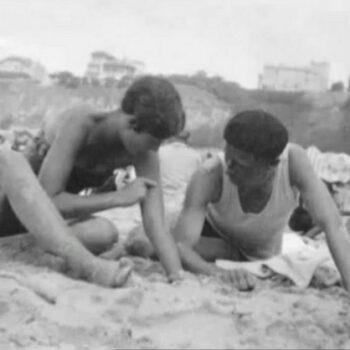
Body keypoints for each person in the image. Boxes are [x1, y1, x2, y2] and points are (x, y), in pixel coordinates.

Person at [0, 75, 186, 284]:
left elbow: (157, 225)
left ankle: (9, 247)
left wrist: (176, 276)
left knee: (105, 233)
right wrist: (117, 198)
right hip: (9, 204)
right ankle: (88, 266)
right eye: (154, 141)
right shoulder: (82, 122)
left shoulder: (144, 154)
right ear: (132, 123)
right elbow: (48, 200)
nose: (156, 149)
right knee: (7, 157)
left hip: (36, 230)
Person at [171, 109, 350, 292]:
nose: (229, 167)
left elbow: (333, 225)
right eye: (227, 156)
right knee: (143, 242)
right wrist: (217, 274)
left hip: (260, 255)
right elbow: (180, 247)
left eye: (240, 163)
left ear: (272, 165)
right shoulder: (209, 175)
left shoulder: (294, 162)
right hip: (210, 238)